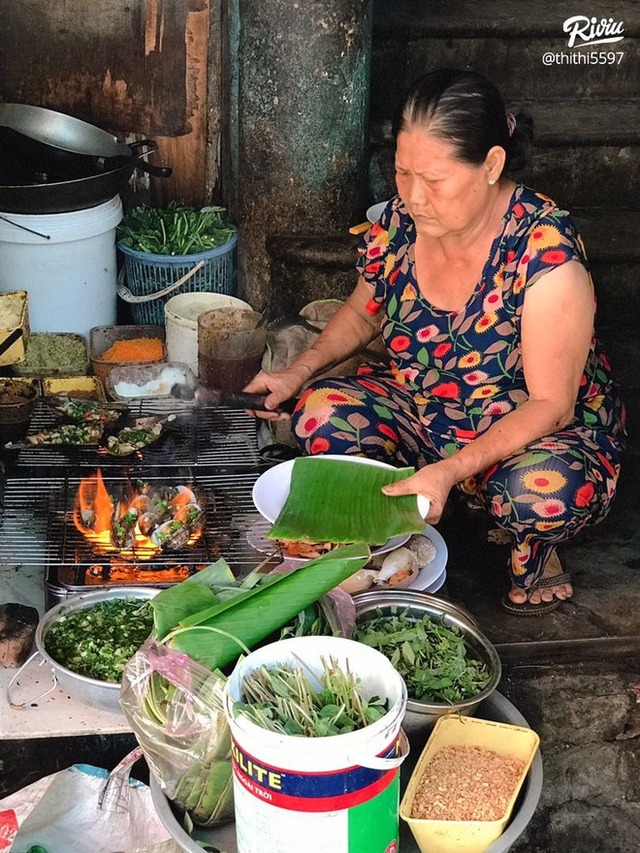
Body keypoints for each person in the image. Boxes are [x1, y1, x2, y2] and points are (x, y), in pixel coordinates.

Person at [244, 68, 627, 615]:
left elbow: (552, 405)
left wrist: (449, 470)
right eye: (402, 173)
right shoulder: (401, 222)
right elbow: (361, 312)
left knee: (540, 496)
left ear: (491, 166)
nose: (414, 196)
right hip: (427, 409)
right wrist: (295, 372)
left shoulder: (545, 254)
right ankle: (392, 530)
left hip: (529, 434)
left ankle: (537, 553)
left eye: (434, 180)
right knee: (321, 412)